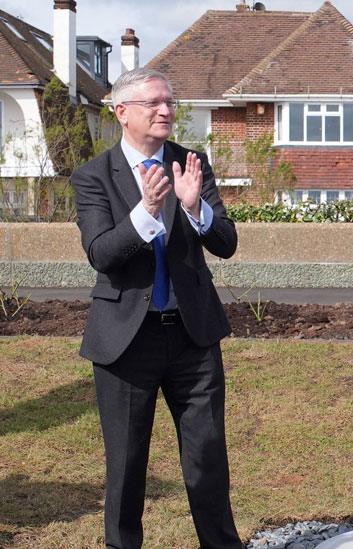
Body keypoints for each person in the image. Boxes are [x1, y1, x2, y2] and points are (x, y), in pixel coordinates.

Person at [71, 67, 241, 549]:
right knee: (126, 466)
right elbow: (102, 253)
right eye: (153, 103)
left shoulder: (192, 163)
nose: (166, 110)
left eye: (170, 101)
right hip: (126, 343)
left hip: (193, 338)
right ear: (122, 112)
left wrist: (194, 209)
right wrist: (145, 212)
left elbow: (226, 243)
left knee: (208, 460)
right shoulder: (93, 177)